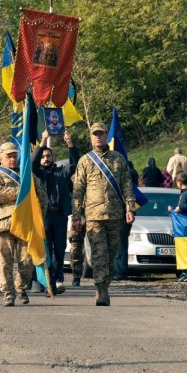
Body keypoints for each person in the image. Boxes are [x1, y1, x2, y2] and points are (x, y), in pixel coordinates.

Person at [72, 123, 136, 306]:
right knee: (100, 254)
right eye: (95, 134)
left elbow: (126, 186)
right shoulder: (85, 161)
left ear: (107, 135)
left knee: (112, 254)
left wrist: (130, 208)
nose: (98, 137)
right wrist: (77, 215)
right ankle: (102, 290)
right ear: (91, 137)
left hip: (115, 215)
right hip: (94, 216)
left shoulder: (118, 159)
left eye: (101, 133)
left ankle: (104, 284)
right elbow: (78, 190)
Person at [0, 142, 48, 307]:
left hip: (25, 223)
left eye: (14, 156)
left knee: (26, 260)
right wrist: (22, 191)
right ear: (1, 158)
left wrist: (39, 218)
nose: (12, 159)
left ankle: (21, 288)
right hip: (3, 224)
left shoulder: (26, 175)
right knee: (4, 261)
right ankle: (8, 293)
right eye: (8, 156)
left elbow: (41, 197)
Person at [32, 130, 79, 293]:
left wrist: (70, 143)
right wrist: (43, 141)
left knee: (59, 249)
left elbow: (74, 165)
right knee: (46, 249)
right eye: (43, 156)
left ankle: (57, 280)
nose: (46, 159)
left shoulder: (61, 172)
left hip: (59, 216)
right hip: (43, 216)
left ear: (53, 158)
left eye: (49, 156)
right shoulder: (37, 173)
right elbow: (32, 162)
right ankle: (47, 282)